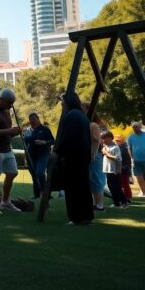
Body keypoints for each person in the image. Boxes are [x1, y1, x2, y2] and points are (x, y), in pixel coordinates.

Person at [55, 92, 93, 225]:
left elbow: (67, 138)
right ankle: (86, 216)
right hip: (82, 156)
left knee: (72, 188)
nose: (61, 103)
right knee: (83, 187)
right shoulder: (82, 115)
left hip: (73, 157)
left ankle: (75, 217)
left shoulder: (70, 116)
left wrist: (57, 152)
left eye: (63, 101)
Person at [24, 112, 55, 199]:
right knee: (34, 174)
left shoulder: (45, 129)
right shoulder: (27, 130)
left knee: (40, 173)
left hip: (43, 154)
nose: (32, 121)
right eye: (30, 119)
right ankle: (37, 194)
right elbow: (25, 142)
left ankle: (45, 193)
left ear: (38, 119)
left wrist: (44, 142)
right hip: (31, 156)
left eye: (34, 119)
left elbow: (53, 141)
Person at [83, 102, 106, 212]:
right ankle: (94, 203)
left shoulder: (93, 125)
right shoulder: (87, 124)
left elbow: (96, 141)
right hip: (90, 155)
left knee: (96, 179)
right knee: (91, 180)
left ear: (88, 110)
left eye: (82, 107)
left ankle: (99, 204)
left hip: (94, 155)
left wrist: (92, 155)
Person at [101, 131, 128, 208]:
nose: (103, 140)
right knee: (111, 187)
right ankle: (116, 202)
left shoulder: (115, 147)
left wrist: (107, 154)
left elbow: (118, 159)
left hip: (114, 170)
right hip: (108, 170)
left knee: (117, 187)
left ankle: (124, 202)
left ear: (109, 138)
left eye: (104, 138)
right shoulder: (106, 147)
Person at [127, 121, 145, 198]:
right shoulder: (131, 137)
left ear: (140, 127)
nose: (134, 128)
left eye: (136, 127)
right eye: (133, 127)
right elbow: (129, 148)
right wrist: (132, 157)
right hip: (136, 160)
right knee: (138, 176)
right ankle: (144, 192)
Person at [115, 134, 133, 201]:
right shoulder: (117, 148)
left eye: (119, 140)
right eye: (116, 140)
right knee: (120, 184)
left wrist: (126, 168)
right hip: (119, 168)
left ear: (123, 141)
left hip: (124, 169)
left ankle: (128, 197)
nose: (117, 142)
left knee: (125, 184)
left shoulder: (125, 149)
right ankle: (123, 197)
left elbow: (128, 161)